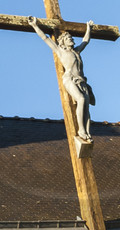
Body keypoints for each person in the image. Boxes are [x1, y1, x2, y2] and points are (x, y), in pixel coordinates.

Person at [28, 16, 96, 144]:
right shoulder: (60, 51)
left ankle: (86, 132)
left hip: (82, 81)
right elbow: (45, 38)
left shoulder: (77, 51)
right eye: (69, 38)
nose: (72, 40)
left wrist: (89, 29)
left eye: (71, 38)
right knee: (80, 99)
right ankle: (81, 130)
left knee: (86, 108)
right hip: (70, 79)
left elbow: (85, 41)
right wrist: (35, 26)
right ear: (63, 41)